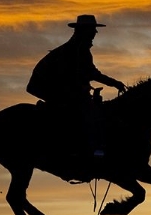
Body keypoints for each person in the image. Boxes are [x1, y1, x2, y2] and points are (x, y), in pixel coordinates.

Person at [26, 15, 126, 158]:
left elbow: (87, 73)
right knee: (86, 112)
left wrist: (111, 83)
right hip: (44, 87)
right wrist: (113, 83)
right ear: (83, 31)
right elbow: (77, 76)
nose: (95, 33)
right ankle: (82, 150)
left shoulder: (79, 49)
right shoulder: (73, 50)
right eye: (92, 30)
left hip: (53, 86)